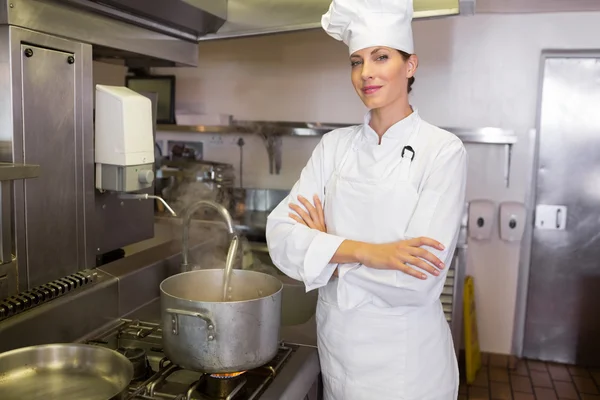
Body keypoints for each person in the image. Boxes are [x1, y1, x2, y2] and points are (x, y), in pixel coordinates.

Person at [265, 0, 467, 398]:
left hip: (408, 368)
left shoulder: (442, 151)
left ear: (410, 66)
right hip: (338, 354)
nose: (366, 73)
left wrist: (325, 254)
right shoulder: (333, 147)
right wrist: (371, 253)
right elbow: (280, 237)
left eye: (381, 57)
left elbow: (418, 283)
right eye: (356, 62)